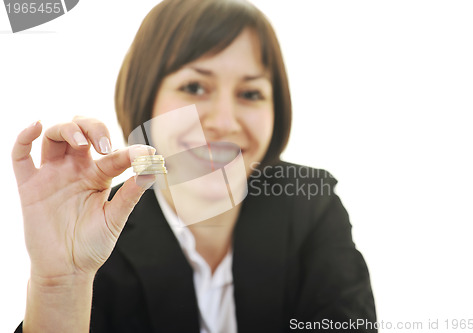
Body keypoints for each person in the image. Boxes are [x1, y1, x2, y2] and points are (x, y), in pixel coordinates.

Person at [12, 0, 376, 332]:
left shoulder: (311, 205)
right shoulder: (99, 229)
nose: (224, 121)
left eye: (250, 94)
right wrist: (62, 281)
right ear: (146, 98)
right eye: (195, 87)